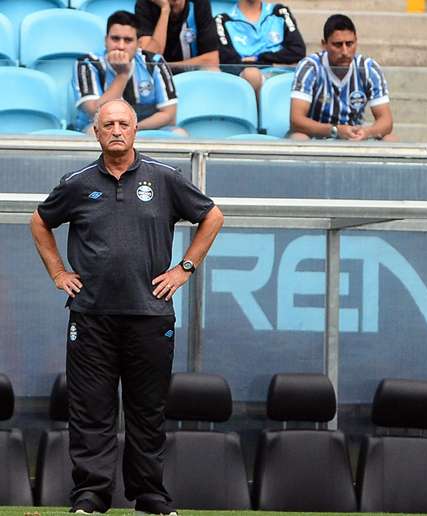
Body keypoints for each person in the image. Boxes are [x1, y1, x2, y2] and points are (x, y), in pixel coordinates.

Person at [29, 99, 224, 515]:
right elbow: (39, 222)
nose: (116, 130)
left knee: (147, 408)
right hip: (91, 316)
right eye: (108, 124)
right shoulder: (78, 183)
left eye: (124, 123)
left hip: (150, 315)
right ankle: (91, 495)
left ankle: (149, 495)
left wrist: (184, 268)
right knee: (90, 409)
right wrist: (58, 273)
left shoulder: (166, 178)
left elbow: (212, 216)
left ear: (136, 130)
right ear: (96, 133)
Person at [72, 11, 183, 135]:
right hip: (103, 127)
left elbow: (169, 114)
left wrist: (132, 129)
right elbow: (95, 112)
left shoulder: (154, 62)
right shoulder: (87, 63)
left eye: (128, 40)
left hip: (144, 127)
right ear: (105, 40)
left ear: (138, 44)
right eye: (115, 39)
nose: (120, 46)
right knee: (93, 132)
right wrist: (122, 75)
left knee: (179, 134)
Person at [289, 14, 396, 141]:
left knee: (390, 139)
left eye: (349, 44)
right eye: (338, 45)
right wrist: (334, 130)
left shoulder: (369, 68)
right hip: (316, 136)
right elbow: (296, 120)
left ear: (356, 41)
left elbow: (386, 121)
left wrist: (367, 132)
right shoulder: (310, 67)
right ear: (324, 44)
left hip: (355, 137)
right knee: (298, 137)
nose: (345, 52)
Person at [214, 0, 306, 103]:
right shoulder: (222, 19)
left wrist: (259, 58)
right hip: (243, 82)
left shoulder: (279, 12)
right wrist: (275, 62)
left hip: (281, 77)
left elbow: (298, 51)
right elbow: (228, 61)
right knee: (251, 74)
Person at [135, 0, 220, 72]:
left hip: (193, 76)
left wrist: (166, 67)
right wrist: (165, 10)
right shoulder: (145, 5)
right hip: (160, 81)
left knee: (214, 71)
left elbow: (211, 61)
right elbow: (148, 59)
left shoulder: (199, 3)